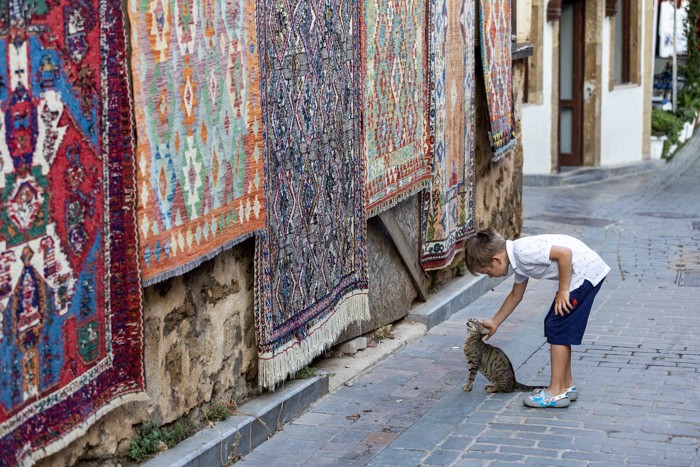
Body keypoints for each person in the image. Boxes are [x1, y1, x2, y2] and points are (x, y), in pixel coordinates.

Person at [463, 228, 610, 408]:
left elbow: (564, 254)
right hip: (583, 273)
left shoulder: (523, 252)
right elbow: (516, 295)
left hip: (584, 274)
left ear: (496, 260)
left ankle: (555, 392)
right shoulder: (518, 260)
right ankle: (566, 386)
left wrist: (563, 290)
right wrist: (495, 322)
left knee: (557, 326)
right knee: (557, 324)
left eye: (487, 271)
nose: (490, 276)